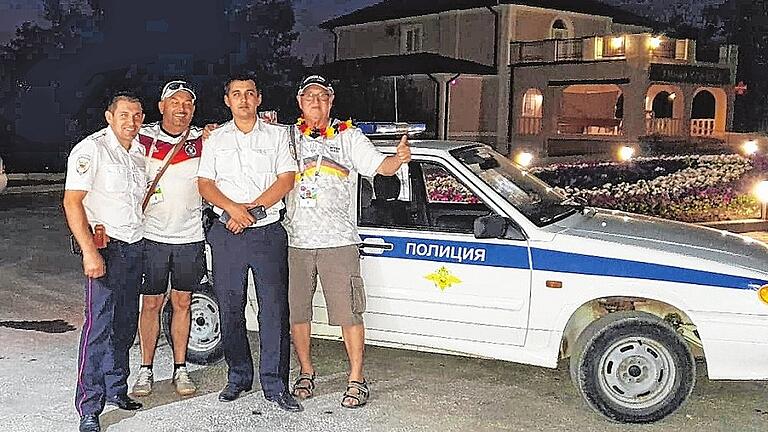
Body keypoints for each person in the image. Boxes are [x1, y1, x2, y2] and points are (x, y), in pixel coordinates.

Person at [284, 75, 411, 408]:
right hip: (296, 240)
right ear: (299, 102)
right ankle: (306, 371)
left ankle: (357, 378)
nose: (316, 102)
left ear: (331, 100)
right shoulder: (286, 137)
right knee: (298, 313)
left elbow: (379, 166)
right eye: (309, 96)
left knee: (350, 314)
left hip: (339, 241)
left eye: (322, 96)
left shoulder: (348, 137)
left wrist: (397, 159)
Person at [196, 73, 302, 412]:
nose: (243, 99)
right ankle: (238, 377)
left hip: (267, 231)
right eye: (236, 94)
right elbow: (205, 184)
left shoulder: (277, 135)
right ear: (227, 100)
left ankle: (275, 384)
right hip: (227, 232)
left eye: (249, 93)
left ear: (259, 99)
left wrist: (251, 213)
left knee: (273, 310)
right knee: (230, 308)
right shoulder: (215, 139)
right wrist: (232, 211)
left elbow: (286, 179)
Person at [63, 93, 147, 432]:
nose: (131, 121)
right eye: (124, 114)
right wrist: (89, 251)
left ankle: (117, 389)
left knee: (125, 324)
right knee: (98, 326)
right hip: (105, 248)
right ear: (109, 116)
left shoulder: (139, 151)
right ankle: (89, 406)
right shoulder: (91, 149)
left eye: (137, 115)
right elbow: (72, 203)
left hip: (134, 247)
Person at [131, 80, 204, 398]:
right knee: (151, 304)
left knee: (183, 303)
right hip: (151, 237)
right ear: (161, 106)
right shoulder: (141, 137)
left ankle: (180, 368)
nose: (182, 107)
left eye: (188, 102)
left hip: (190, 236)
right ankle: (145, 370)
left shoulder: (204, 138)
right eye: (174, 101)